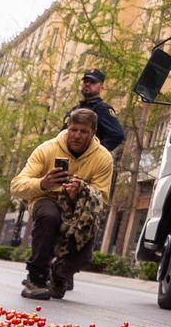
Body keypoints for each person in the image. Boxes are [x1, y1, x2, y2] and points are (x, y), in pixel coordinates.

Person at [11, 107, 113, 300]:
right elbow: (16, 185)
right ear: (67, 127)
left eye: (84, 132)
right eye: (73, 129)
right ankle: (36, 277)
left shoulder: (103, 158)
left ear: (93, 133)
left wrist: (81, 192)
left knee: (85, 254)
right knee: (50, 217)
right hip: (47, 198)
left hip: (80, 208)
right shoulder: (47, 149)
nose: (76, 135)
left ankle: (60, 272)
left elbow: (103, 197)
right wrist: (43, 183)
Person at [76, 69, 125, 153]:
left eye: (92, 82)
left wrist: (94, 153)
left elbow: (117, 135)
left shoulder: (102, 109)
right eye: (85, 81)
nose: (87, 84)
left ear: (101, 87)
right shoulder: (76, 109)